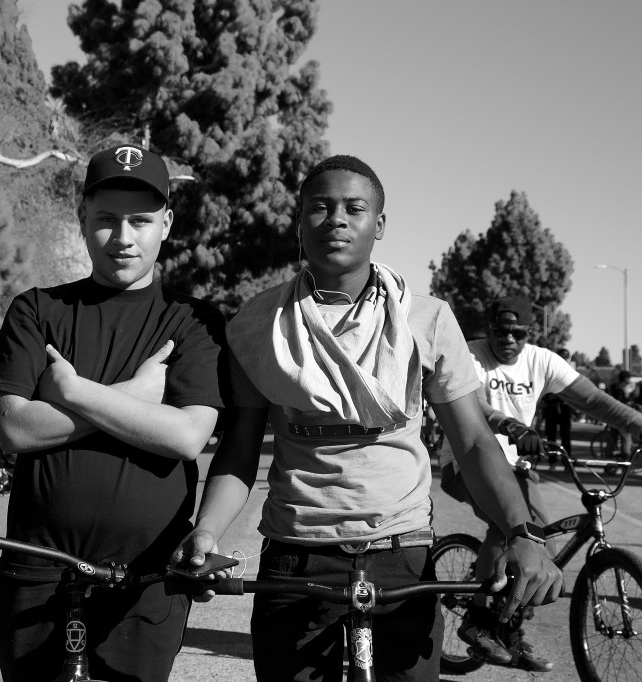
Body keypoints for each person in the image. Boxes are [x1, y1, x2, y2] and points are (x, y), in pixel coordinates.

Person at [174, 155, 562, 682]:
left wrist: (521, 532)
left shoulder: (427, 318)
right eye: (319, 208)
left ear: (379, 225)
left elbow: (471, 442)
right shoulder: (256, 324)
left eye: (354, 208)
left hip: (401, 559)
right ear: (299, 222)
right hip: (296, 562)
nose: (336, 219)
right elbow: (240, 448)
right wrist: (207, 532)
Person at [0, 144, 227, 681]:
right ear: (82, 219)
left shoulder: (193, 322)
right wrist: (137, 395)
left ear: (167, 224)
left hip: (145, 580)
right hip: (36, 570)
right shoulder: (38, 309)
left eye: (140, 220)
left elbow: (185, 435)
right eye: (107, 219)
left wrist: (74, 391)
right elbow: (15, 427)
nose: (123, 237)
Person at [438, 296, 642, 671]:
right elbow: (471, 405)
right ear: (490, 328)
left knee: (541, 542)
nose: (509, 339)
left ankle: (512, 633)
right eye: (501, 331)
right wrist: (509, 424)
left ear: (529, 333)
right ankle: (478, 622)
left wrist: (635, 422)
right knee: (511, 527)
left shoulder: (542, 361)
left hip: (517, 464)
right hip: (464, 461)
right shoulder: (470, 355)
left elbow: (595, 401)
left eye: (518, 332)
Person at [541, 349, 574, 467]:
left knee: (566, 435)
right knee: (551, 435)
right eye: (563, 358)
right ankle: (552, 461)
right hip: (552, 408)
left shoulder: (571, 373)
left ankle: (567, 461)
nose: (564, 361)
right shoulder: (550, 371)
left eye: (566, 359)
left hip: (565, 407)